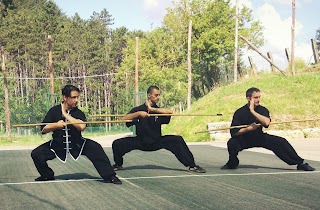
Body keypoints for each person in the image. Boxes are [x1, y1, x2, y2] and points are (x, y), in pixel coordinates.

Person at [31, 85, 122, 184]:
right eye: (74, 97)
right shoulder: (54, 111)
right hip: (58, 145)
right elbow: (43, 129)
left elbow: (81, 126)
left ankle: (110, 176)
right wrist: (55, 125)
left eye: (77, 97)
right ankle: (47, 175)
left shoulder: (78, 112)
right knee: (36, 153)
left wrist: (66, 115)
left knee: (96, 148)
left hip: (77, 144)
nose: (76, 100)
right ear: (65, 97)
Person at [112, 85, 206, 173]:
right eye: (156, 95)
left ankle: (192, 166)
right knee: (117, 143)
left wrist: (153, 110)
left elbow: (169, 112)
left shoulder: (159, 110)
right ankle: (118, 164)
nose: (158, 97)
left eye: (159, 95)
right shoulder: (138, 109)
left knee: (177, 140)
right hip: (140, 142)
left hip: (157, 141)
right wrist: (138, 114)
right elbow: (123, 118)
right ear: (149, 95)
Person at [221, 87, 315, 171]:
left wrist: (252, 111)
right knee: (232, 143)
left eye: (259, 97)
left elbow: (266, 123)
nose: (258, 100)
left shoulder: (263, 110)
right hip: (244, 139)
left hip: (259, 137)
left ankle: (300, 163)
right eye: (255, 97)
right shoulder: (239, 112)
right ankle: (232, 163)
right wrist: (248, 129)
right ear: (248, 98)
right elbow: (234, 133)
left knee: (281, 142)